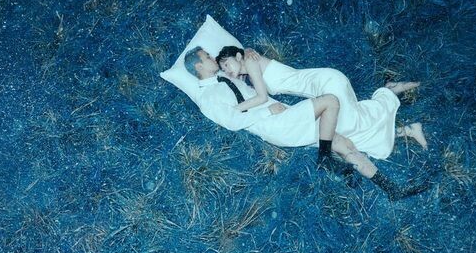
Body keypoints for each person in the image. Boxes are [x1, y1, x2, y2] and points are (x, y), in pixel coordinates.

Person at [183, 46, 429, 200]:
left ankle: (392, 189)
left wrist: (247, 52)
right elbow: (232, 120)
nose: (212, 57)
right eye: (207, 56)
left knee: (344, 143)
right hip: (275, 123)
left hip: (284, 116)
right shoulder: (208, 97)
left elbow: (246, 66)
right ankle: (324, 159)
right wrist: (267, 111)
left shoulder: (226, 78)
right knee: (330, 101)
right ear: (198, 65)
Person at [214, 45, 427, 159]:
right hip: (325, 81)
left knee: (344, 126)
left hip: (326, 82)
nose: (227, 71)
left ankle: (388, 94)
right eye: (223, 69)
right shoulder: (249, 66)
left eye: (227, 64)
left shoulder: (250, 62)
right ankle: (406, 129)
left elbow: (261, 98)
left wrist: (234, 110)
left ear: (239, 56)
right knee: (345, 126)